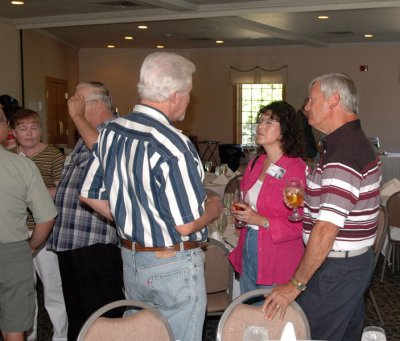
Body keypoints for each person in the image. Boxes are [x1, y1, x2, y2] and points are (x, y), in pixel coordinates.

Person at [79, 52, 222, 341]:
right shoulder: (174, 144)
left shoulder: (111, 132)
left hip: (131, 257)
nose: (189, 100)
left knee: (141, 334)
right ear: (174, 94)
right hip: (172, 263)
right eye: (188, 93)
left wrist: (132, 216)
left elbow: (89, 194)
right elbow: (186, 225)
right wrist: (214, 208)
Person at [262, 74, 382, 341]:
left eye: (312, 99)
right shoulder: (343, 144)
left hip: (337, 269)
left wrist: (294, 285)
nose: (306, 106)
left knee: (310, 335)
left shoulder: (344, 152)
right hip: (346, 266)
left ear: (334, 100)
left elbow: (326, 229)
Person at [46, 82, 124, 341]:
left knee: (100, 315)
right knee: (78, 314)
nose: (72, 105)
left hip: (95, 241)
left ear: (98, 105)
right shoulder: (85, 133)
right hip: (72, 240)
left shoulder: (116, 130)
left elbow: (106, 152)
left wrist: (77, 116)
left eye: (79, 100)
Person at [229, 101, 306, 296]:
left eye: (269, 122)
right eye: (260, 121)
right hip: (249, 247)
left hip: (278, 256)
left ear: (283, 132)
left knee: (272, 320)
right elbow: (246, 199)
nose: (260, 126)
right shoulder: (256, 162)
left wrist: (260, 220)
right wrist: (241, 214)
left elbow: (302, 223)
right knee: (249, 313)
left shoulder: (296, 168)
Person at [10, 108, 68, 341]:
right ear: (13, 132)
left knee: (53, 288)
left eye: (34, 127)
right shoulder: (9, 156)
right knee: (24, 290)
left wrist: (31, 194)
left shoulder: (53, 155)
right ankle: (29, 334)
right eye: (23, 128)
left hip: (46, 230)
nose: (29, 133)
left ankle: (60, 336)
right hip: (16, 232)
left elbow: (62, 191)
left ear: (41, 129)